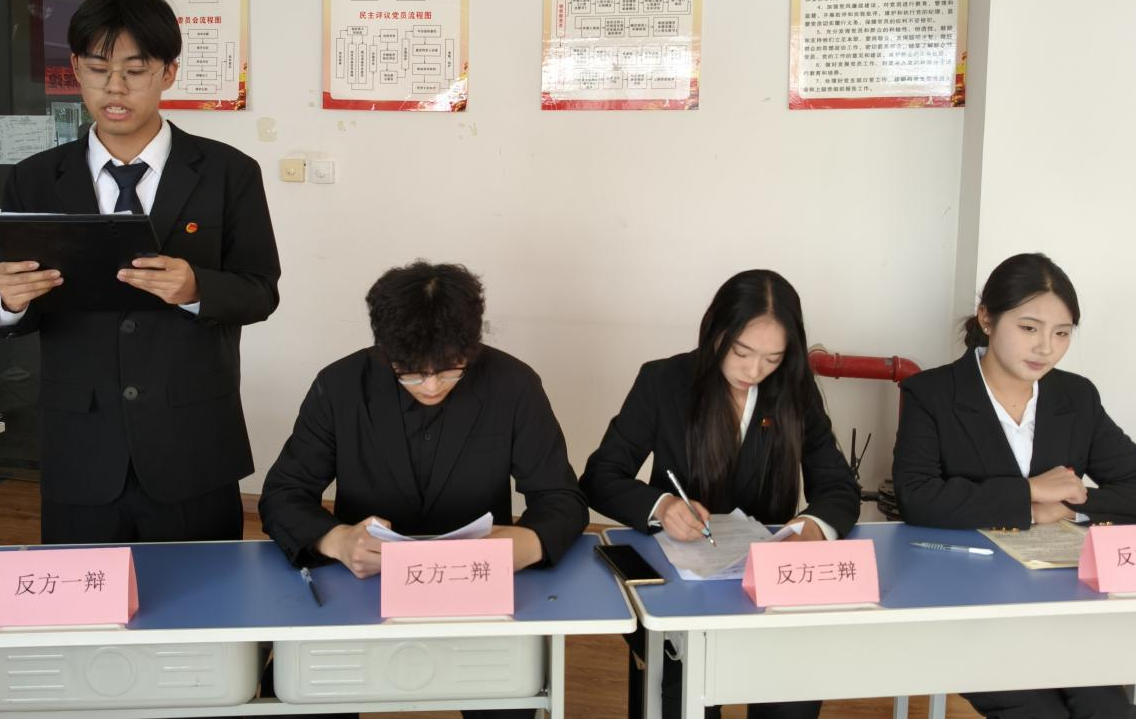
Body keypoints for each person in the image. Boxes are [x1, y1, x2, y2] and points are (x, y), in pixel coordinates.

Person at [0, 0, 280, 545]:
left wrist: (196, 288)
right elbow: (1, 300)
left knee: (202, 594)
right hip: (80, 444)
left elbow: (260, 291)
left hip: (191, 442)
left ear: (168, 73)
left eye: (135, 70)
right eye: (98, 69)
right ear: (76, 69)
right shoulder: (34, 178)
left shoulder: (228, 173)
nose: (115, 88)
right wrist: (10, 300)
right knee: (82, 594)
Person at [260, 260, 587, 719]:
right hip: (363, 587)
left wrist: (527, 544)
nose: (431, 385)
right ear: (385, 350)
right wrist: (337, 540)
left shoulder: (514, 385)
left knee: (512, 701)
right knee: (300, 693)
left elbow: (562, 498)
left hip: (476, 593)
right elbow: (283, 493)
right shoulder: (340, 385)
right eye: (411, 372)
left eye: (449, 370)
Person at [581, 269, 860, 719]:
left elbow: (839, 487)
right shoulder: (663, 381)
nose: (754, 371)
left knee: (794, 691)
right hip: (676, 586)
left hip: (765, 589)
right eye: (741, 352)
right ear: (715, 332)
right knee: (681, 692)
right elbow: (600, 476)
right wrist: (662, 506)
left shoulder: (795, 391)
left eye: (772, 358)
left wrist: (809, 527)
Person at [894, 253, 1136, 719]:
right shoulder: (932, 393)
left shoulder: (1076, 396)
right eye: (1029, 328)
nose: (1045, 347)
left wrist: (1070, 506)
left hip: (1061, 605)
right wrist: (1028, 494)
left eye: (1061, 333)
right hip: (968, 605)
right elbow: (917, 496)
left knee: (1106, 708)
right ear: (986, 318)